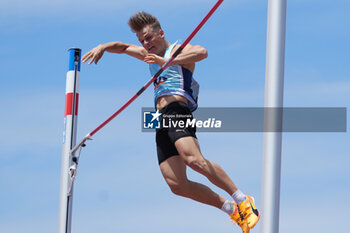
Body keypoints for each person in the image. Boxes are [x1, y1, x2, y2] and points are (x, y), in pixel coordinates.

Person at [82, 11, 260, 232]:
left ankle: (243, 200)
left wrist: (166, 61)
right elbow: (123, 47)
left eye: (148, 38)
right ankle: (232, 210)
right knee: (177, 185)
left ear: (160, 33)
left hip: (177, 109)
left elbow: (202, 52)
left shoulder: (175, 49)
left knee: (194, 160)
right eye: (142, 40)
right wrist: (103, 47)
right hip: (161, 118)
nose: (145, 44)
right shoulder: (148, 54)